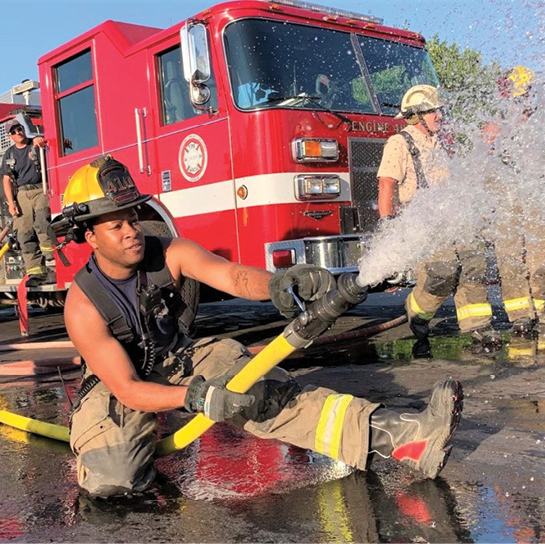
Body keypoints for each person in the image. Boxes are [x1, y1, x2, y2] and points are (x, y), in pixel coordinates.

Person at [58, 155, 464, 498]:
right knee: (116, 478)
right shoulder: (83, 305)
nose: (133, 231)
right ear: (90, 236)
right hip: (118, 380)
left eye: (133, 218)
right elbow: (128, 388)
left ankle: (405, 437)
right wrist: (199, 398)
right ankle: (112, 455)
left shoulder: (171, 253)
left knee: (263, 392)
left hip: (178, 357)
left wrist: (276, 285)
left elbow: (232, 276)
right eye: (117, 226)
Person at [377, 84, 500, 358]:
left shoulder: (442, 142)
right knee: (442, 271)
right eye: (433, 112)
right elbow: (386, 185)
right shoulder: (400, 143)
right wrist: (388, 229)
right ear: (417, 115)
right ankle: (417, 313)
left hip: (453, 217)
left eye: (439, 111)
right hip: (424, 221)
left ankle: (479, 327)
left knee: (474, 265)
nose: (440, 116)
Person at [484, 67, 544, 338]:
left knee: (540, 261)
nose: (521, 105)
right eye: (517, 98)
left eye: (525, 98)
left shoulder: (539, 126)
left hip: (536, 202)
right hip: (504, 202)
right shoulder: (493, 127)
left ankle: (542, 313)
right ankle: (520, 317)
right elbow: (480, 167)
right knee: (509, 262)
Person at [1, 117, 55, 287]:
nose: (18, 132)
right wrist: (11, 203)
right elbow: (6, 180)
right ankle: (35, 273)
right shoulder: (9, 154)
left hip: (41, 188)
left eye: (19, 128)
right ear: (9, 136)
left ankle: (53, 263)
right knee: (24, 232)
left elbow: (58, 143)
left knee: (42, 221)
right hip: (22, 194)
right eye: (14, 131)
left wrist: (43, 141)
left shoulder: (36, 144)